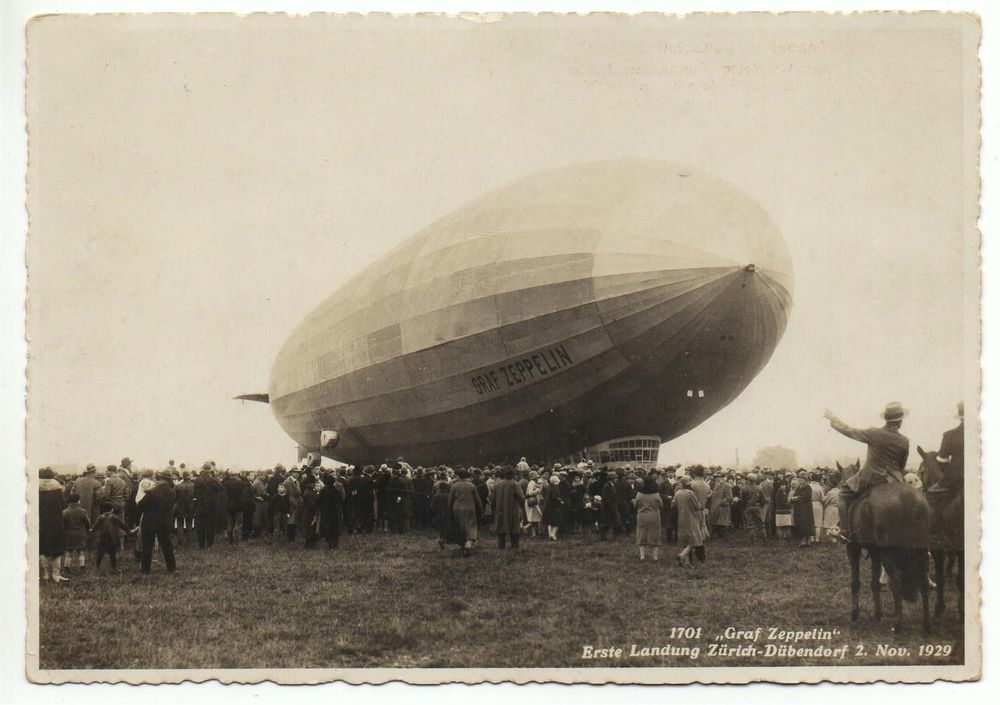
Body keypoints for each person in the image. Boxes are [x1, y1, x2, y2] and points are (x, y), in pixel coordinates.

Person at [824, 402, 910, 538]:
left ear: (886, 419)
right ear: (900, 421)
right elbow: (901, 465)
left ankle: (845, 531)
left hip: (871, 479)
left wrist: (833, 418)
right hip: (895, 481)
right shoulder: (905, 441)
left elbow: (849, 431)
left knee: (843, 495)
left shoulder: (874, 433)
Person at [136, 471, 177, 574]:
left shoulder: (152, 492)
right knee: (167, 545)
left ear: (159, 479)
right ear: (168, 480)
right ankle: (171, 568)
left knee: (147, 547)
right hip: (165, 522)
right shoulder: (172, 492)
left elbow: (140, 506)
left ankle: (145, 570)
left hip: (149, 522)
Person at [39, 468, 68, 583]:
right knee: (58, 549)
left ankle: (46, 574)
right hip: (56, 522)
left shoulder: (35, 488)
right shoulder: (57, 488)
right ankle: (56, 575)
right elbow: (63, 505)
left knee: (42, 549)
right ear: (52, 476)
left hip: (41, 522)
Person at [448, 468, 483, 556]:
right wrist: (481, 509)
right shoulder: (471, 486)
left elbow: (450, 499)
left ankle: (463, 545)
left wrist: (449, 509)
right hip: (470, 508)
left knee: (460, 527)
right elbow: (477, 499)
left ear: (459, 476)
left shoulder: (454, 486)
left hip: (457, 508)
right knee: (471, 526)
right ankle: (468, 543)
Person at [672, 476, 704, 567]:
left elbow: (674, 504)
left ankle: (686, 562)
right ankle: (682, 554)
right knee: (695, 539)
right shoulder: (690, 493)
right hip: (691, 519)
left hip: (681, 518)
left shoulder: (678, 493)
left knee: (685, 540)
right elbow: (697, 506)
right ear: (689, 483)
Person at [492, 466, 525, 549]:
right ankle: (514, 546)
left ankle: (501, 546)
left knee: (501, 529)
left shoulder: (497, 484)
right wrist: (523, 508)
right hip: (513, 509)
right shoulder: (515, 484)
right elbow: (521, 498)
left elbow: (493, 499)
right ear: (513, 474)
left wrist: (494, 509)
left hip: (500, 510)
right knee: (514, 529)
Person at [93, 501, 132, 572]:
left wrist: (91, 530)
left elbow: (95, 526)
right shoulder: (114, 517)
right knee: (112, 554)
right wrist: (128, 530)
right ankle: (114, 568)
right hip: (111, 538)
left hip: (102, 537)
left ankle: (97, 567)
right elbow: (121, 524)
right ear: (112, 509)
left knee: (100, 553)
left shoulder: (100, 517)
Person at [634, 476, 664, 562]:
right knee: (655, 535)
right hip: (654, 517)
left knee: (641, 535)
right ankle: (655, 557)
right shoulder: (656, 495)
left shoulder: (639, 494)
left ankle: (642, 556)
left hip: (642, 516)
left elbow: (635, 505)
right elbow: (661, 505)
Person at [936, 401, 965, 488]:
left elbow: (941, 461)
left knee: (930, 494)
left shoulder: (949, 435)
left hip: (957, 478)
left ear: (960, 418)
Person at [193, 463, 223, 548]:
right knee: (210, 526)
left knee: (200, 526)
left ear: (202, 470)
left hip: (200, 505)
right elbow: (221, 488)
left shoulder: (197, 480)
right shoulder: (214, 480)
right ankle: (209, 544)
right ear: (210, 471)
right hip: (211, 506)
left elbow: (194, 492)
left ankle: (201, 545)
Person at [62, 493, 91, 569]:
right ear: (77, 501)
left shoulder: (65, 512)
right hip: (80, 534)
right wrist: (88, 530)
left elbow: (63, 524)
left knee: (69, 551)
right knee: (81, 551)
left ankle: (67, 567)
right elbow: (87, 522)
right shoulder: (82, 511)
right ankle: (82, 566)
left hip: (69, 534)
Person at [789, 478, 814, 548]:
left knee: (807, 524)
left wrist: (797, 498)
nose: (801, 482)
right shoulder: (798, 488)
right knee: (801, 524)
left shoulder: (808, 487)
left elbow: (806, 497)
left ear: (806, 481)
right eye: (800, 480)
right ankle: (803, 541)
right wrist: (793, 499)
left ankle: (808, 541)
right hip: (799, 509)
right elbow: (794, 496)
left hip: (806, 509)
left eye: (802, 481)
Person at [707, 473, 732, 538]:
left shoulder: (727, 485)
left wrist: (721, 502)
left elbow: (729, 497)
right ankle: (716, 534)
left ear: (722, 477)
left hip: (722, 507)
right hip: (714, 506)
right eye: (716, 477)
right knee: (715, 521)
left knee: (722, 523)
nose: (717, 478)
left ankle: (724, 535)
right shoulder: (715, 485)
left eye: (718, 477)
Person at [523, 472, 543, 537]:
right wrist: (537, 490)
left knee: (534, 518)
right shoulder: (532, 483)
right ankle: (526, 527)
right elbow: (530, 493)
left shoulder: (532, 483)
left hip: (531, 502)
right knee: (535, 517)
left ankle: (533, 534)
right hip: (532, 502)